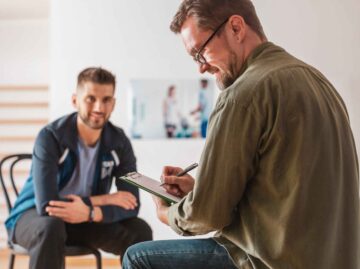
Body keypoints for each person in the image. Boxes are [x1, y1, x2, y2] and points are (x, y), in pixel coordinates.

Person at [122, 1, 359, 269]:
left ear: (236, 27)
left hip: (267, 262)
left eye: (201, 52)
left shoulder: (243, 95)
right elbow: (285, 196)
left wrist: (169, 214)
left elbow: (206, 216)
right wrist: (201, 190)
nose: (201, 67)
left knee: (138, 258)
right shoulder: (319, 84)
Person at [5, 67, 152, 269]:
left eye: (106, 99)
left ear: (114, 103)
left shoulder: (119, 141)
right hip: (33, 218)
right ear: (75, 100)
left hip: (84, 218)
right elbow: (47, 205)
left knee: (139, 230)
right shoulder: (50, 136)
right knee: (51, 226)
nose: (99, 107)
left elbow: (132, 204)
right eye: (91, 98)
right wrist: (104, 200)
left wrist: (90, 213)